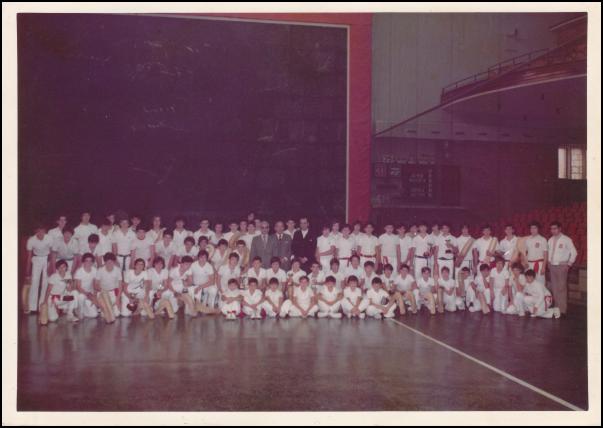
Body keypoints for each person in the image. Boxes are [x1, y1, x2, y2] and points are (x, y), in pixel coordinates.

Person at [547, 221, 577, 316]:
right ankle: (557, 307)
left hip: (562, 266)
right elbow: (549, 252)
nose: (553, 230)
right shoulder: (550, 240)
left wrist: (569, 264)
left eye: (555, 228)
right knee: (554, 288)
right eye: (551, 229)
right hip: (552, 266)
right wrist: (548, 262)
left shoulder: (566, 239)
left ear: (560, 229)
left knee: (561, 288)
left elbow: (574, 252)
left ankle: (562, 309)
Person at [24, 225, 53, 313]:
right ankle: (32, 307)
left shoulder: (49, 238)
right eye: (38, 231)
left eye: (42, 231)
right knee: (34, 281)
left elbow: (52, 253)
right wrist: (27, 271)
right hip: (36, 259)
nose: (40, 233)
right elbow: (29, 256)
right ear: (35, 231)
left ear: (45, 231)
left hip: (47, 259)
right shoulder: (31, 240)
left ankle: (42, 306)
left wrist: (50, 266)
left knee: (45, 282)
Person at [42, 259, 78, 324]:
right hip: (53, 298)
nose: (62, 269)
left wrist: (70, 282)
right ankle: (56, 308)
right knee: (53, 319)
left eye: (63, 267)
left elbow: (69, 290)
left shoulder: (68, 275)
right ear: (57, 268)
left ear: (66, 267)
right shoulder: (53, 276)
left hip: (61, 297)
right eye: (60, 267)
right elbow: (48, 290)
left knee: (74, 293)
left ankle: (70, 314)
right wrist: (45, 301)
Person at [94, 252, 122, 321]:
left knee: (117, 314)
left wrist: (118, 300)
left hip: (113, 293)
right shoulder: (100, 270)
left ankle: (109, 308)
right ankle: (103, 309)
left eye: (111, 262)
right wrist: (101, 291)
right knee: (104, 315)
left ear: (114, 262)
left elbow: (120, 286)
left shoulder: (117, 270)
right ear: (105, 262)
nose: (109, 264)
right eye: (107, 262)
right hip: (103, 293)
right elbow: (96, 284)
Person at [74, 253, 100, 319]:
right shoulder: (79, 271)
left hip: (90, 293)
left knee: (94, 315)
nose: (89, 263)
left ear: (93, 262)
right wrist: (89, 295)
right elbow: (78, 287)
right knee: (81, 297)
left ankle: (81, 308)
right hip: (81, 293)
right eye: (87, 261)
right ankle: (80, 312)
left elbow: (95, 285)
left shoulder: (94, 270)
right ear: (83, 262)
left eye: (90, 261)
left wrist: (94, 296)